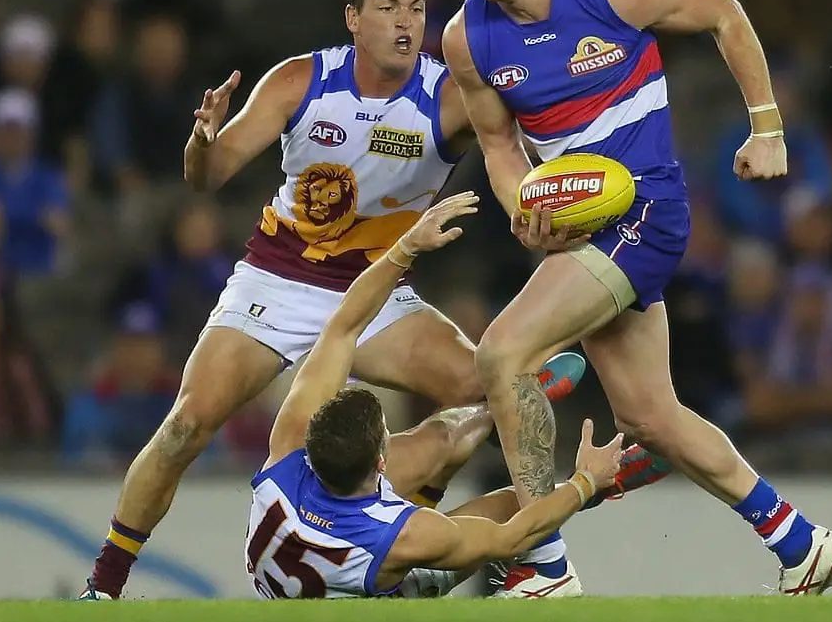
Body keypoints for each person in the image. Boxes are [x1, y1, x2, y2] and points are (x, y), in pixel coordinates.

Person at [79, 0, 595, 600]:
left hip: (378, 291)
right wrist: (202, 141)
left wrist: (535, 204)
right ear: (353, 18)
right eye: (387, 7)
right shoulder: (301, 82)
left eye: (416, 8)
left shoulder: (449, 99)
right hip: (277, 280)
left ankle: (539, 564)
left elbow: (506, 151)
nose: (405, 23)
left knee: (492, 381)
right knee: (185, 424)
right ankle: (102, 589)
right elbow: (207, 178)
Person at [440, 0, 832, 597]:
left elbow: (724, 13)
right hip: (582, 231)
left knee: (503, 352)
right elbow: (500, 147)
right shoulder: (467, 38)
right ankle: (799, 541)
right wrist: (523, 206)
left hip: (647, 213)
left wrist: (767, 126)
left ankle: (543, 566)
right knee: (649, 416)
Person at [245, 192, 623, 599]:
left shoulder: (287, 448)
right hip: (388, 588)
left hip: (327, 546)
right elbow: (513, 538)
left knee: (438, 439)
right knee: (519, 503)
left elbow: (343, 326)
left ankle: (494, 413)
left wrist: (404, 248)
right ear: (381, 460)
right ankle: (607, 479)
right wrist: (585, 482)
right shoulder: (407, 537)